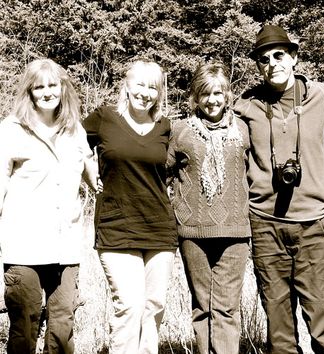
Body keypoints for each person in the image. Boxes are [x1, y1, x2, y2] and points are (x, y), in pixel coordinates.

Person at [234, 25, 324, 354]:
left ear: (294, 57)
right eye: (263, 58)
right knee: (279, 331)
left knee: (323, 325)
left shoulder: (322, 97)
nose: (272, 63)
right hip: (265, 226)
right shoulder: (246, 105)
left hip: (315, 225)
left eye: (279, 55)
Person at [0, 58, 98, 354]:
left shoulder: (75, 130)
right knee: (25, 325)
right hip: (23, 246)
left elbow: (93, 175)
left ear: (62, 88)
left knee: (62, 328)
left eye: (52, 85)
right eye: (39, 86)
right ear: (29, 91)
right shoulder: (11, 129)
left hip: (65, 245)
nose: (47, 92)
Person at [82, 60, 178, 354]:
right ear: (126, 84)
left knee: (154, 305)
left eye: (153, 87)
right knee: (129, 305)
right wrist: (88, 173)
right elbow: (72, 141)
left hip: (159, 226)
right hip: (116, 224)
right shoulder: (105, 117)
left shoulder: (165, 126)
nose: (146, 93)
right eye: (140, 84)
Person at [167, 62, 251, 354]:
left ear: (227, 95)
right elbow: (162, 174)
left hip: (235, 229)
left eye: (218, 93)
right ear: (195, 97)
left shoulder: (242, 129)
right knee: (203, 305)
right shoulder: (180, 132)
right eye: (205, 94)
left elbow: (256, 172)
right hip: (192, 231)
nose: (212, 100)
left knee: (227, 308)